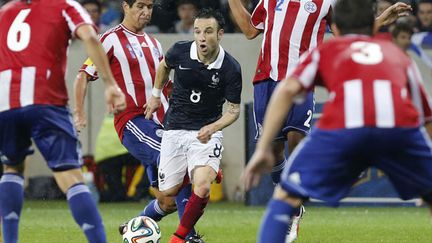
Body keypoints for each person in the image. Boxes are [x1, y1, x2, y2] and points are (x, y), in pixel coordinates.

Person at [243, 0, 432, 242]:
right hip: (398, 132)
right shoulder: (399, 56)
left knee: (286, 196)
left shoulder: (327, 51)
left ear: (337, 31)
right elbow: (426, 118)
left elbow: (288, 88)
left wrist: (262, 148)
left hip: (343, 131)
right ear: (374, 30)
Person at [73, 0, 204, 241]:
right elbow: (83, 75)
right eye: (140, 6)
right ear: (125, 6)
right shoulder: (109, 39)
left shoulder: (154, 44)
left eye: (150, 7)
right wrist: (79, 112)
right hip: (134, 121)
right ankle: (188, 236)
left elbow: (166, 86)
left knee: (168, 198)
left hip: (166, 123)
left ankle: (134, 225)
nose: (146, 12)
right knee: (180, 161)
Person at [0, 0, 126, 243]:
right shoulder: (63, 5)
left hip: (6, 102)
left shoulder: (4, 12)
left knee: (12, 167)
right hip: (45, 99)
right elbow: (89, 36)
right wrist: (110, 83)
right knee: (70, 176)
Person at [145, 8, 242, 243]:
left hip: (205, 134)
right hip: (175, 129)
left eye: (208, 31)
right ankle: (139, 222)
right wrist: (156, 94)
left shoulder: (230, 67)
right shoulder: (180, 50)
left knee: (202, 187)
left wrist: (214, 127)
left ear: (220, 34)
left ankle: (180, 237)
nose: (201, 37)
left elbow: (234, 111)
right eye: (197, 31)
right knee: (168, 195)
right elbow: (163, 66)